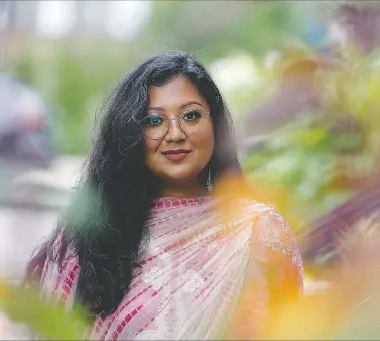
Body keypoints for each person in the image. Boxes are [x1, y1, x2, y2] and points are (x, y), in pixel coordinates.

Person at [24, 50, 303, 340]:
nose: (175, 134)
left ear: (215, 124)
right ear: (130, 133)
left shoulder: (259, 231)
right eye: (154, 121)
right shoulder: (89, 237)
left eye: (191, 116)